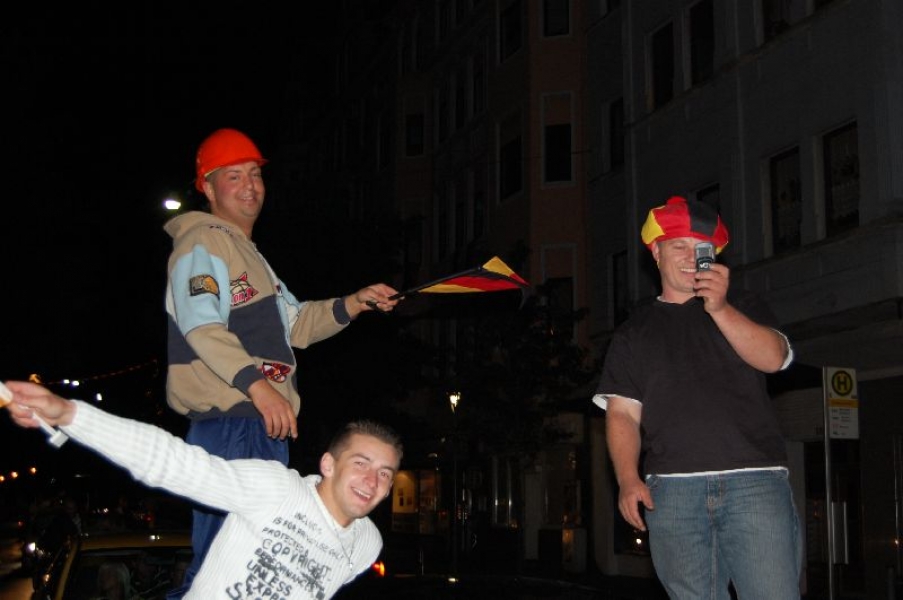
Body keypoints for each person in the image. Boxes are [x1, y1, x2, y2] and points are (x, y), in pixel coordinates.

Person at [164, 127, 400, 594]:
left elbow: (298, 324)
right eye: (234, 176)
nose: (250, 185)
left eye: (255, 174)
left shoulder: (251, 259)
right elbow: (201, 326)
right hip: (231, 421)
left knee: (257, 564)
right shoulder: (202, 244)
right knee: (219, 558)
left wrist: (354, 303)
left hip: (262, 424)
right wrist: (260, 389)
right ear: (208, 187)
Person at [4, 380, 403, 600]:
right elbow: (173, 462)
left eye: (385, 473)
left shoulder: (367, 545)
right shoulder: (277, 489)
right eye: (361, 463)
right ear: (328, 465)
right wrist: (70, 415)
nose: (372, 481)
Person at [592, 196, 802, 599]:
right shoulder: (633, 333)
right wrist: (627, 478)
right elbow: (622, 415)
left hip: (754, 483)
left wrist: (719, 309)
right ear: (656, 253)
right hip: (673, 493)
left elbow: (774, 359)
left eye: (701, 248)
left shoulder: (745, 305)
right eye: (679, 246)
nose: (691, 257)